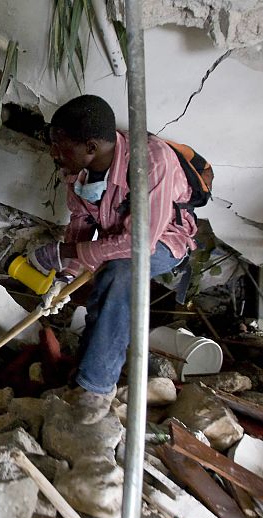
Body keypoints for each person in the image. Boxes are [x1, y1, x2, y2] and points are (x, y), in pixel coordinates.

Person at [29, 95, 197, 424]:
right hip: (121, 238)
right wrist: (64, 278)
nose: (54, 153)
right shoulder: (76, 170)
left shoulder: (152, 161)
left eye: (61, 146)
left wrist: (65, 254)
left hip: (164, 240)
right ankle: (85, 369)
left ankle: (96, 389)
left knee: (120, 272)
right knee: (108, 271)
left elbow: (139, 243)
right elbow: (80, 226)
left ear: (90, 147)